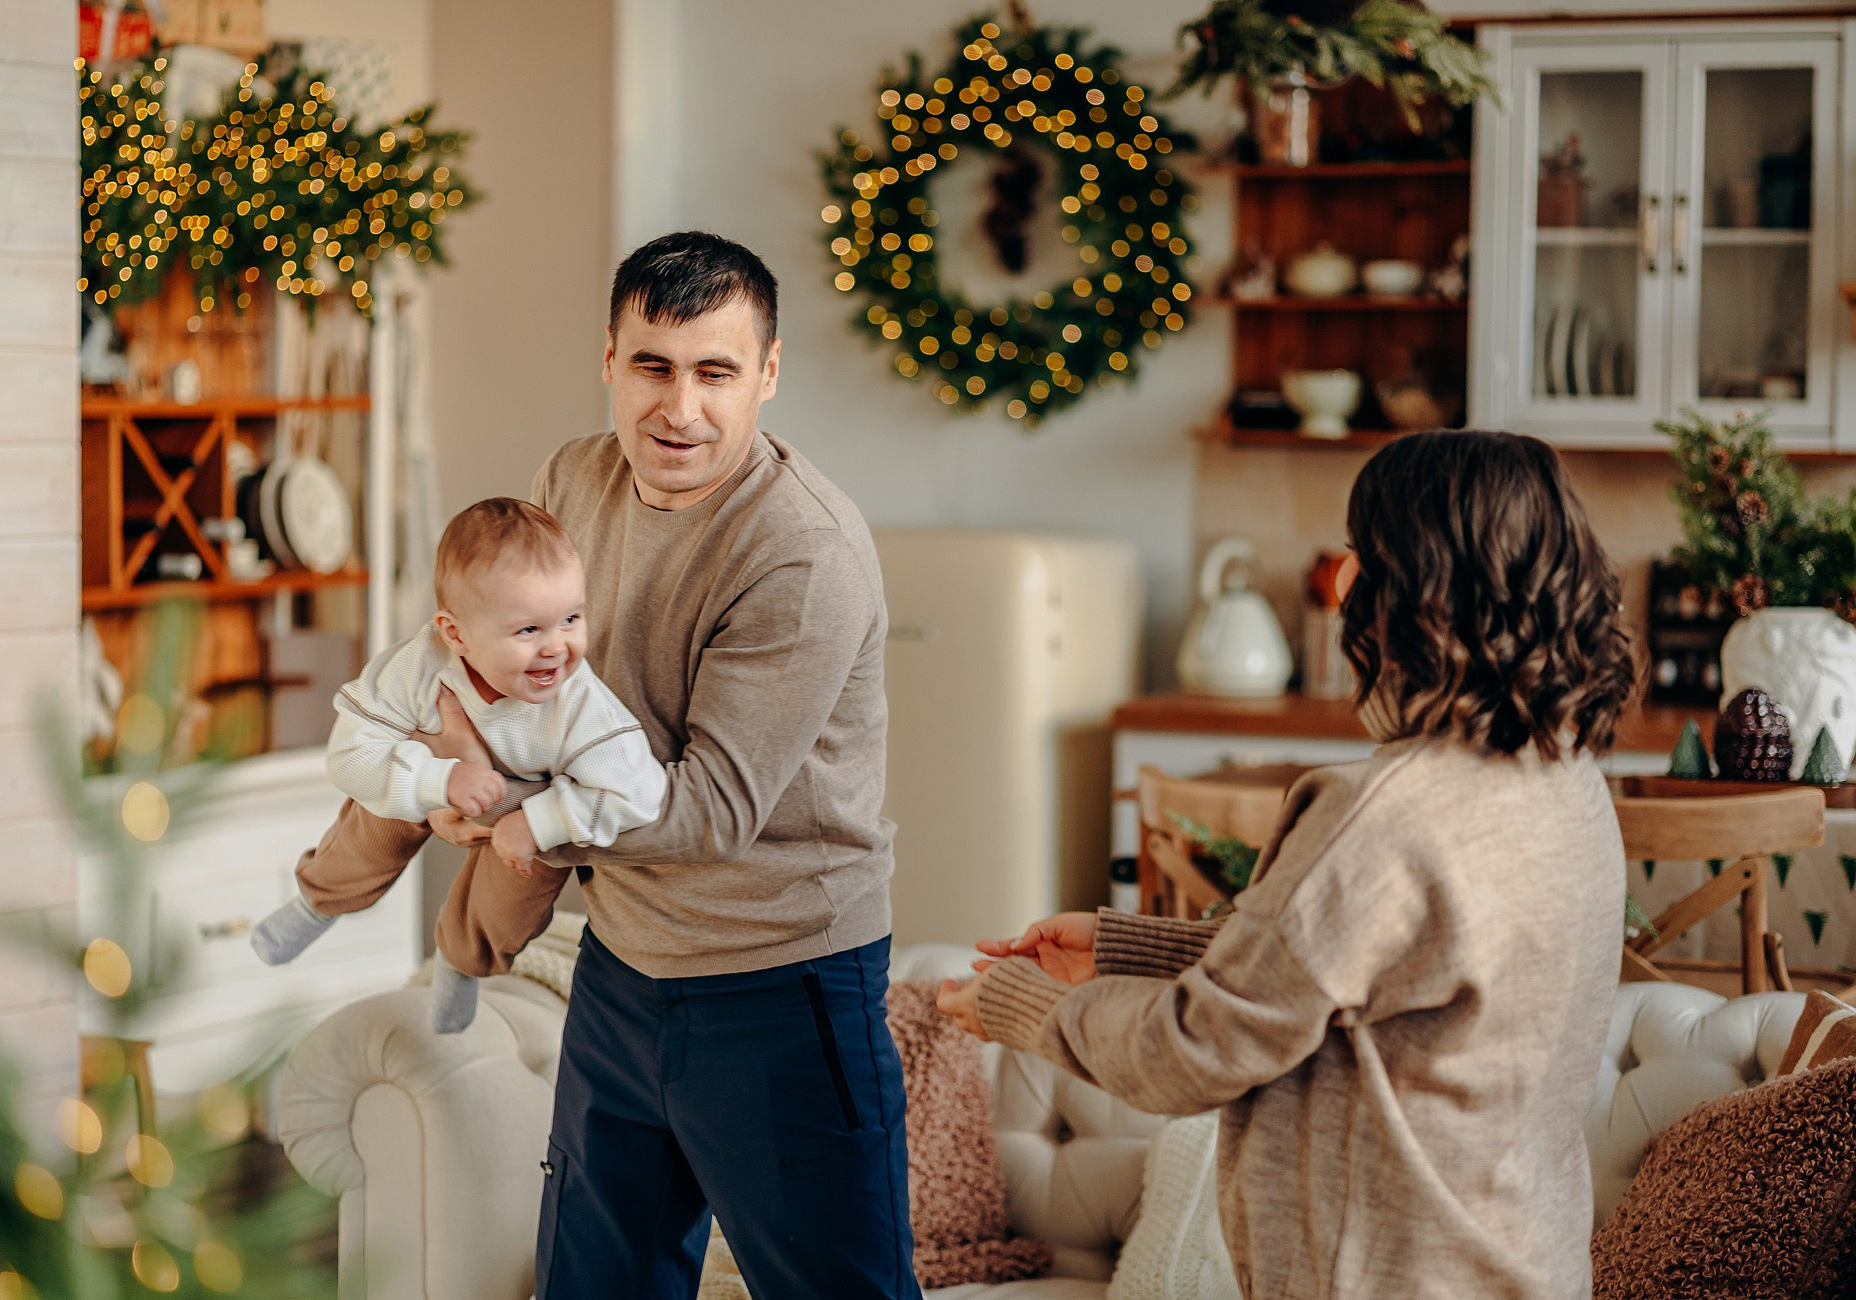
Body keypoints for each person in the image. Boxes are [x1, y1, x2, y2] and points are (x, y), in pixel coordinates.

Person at [939, 430, 1640, 1300]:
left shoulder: (1385, 813)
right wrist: (1129, 949)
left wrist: (1025, 1006)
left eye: (1358, 556)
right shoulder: (1565, 778)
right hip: (1527, 1263)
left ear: (1401, 585)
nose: (1345, 583)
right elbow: (1362, 974)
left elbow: (1191, 1052)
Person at [415, 231, 917, 1299]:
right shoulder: (570, 478)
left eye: (715, 372)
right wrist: (453, 748)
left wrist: (524, 815)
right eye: (653, 365)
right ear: (609, 357)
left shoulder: (802, 550)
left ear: (768, 374)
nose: (678, 408)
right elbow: (518, 674)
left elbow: (711, 809)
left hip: (782, 981)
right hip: (624, 961)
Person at [249, 496, 666, 1033]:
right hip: (433, 771)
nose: (557, 648)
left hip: (530, 798)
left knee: (517, 891)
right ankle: (317, 901)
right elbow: (349, 754)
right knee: (375, 814)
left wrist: (535, 823)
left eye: (571, 618)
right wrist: (437, 779)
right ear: (455, 634)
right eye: (528, 630)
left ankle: (460, 964)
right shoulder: (418, 667)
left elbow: (639, 791)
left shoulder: (580, 702)